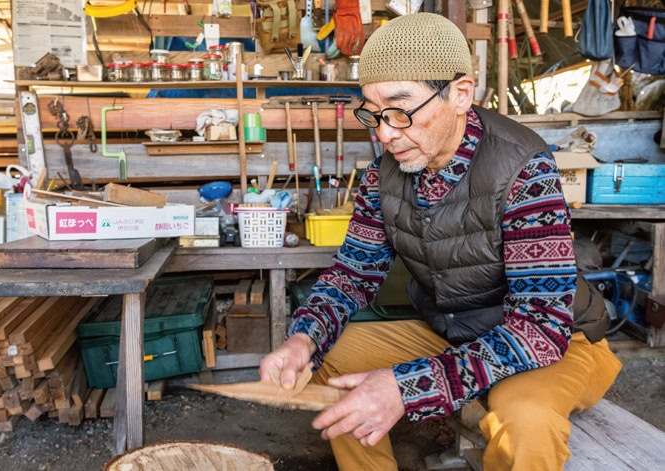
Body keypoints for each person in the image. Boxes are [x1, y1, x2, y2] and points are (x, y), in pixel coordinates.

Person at [259, 13, 622, 471]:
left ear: (460, 95)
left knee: (525, 419)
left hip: (559, 344)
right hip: (454, 333)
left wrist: (407, 387)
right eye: (372, 112)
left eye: (400, 109)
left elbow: (540, 327)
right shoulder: (381, 178)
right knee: (334, 362)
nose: (385, 133)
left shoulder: (524, 170)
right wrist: (303, 340)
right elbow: (354, 274)